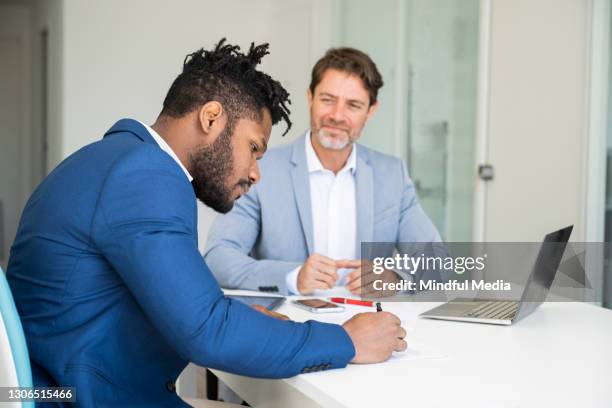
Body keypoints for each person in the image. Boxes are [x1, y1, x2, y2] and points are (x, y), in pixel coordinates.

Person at [6, 40, 406, 407]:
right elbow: (207, 331)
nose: (254, 173)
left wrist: (241, 319)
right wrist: (347, 340)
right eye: (253, 149)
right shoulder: (146, 174)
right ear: (212, 117)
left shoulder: (113, 160)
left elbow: (172, 306)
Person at [204, 47, 442, 296]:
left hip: (370, 323)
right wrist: (293, 277)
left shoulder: (391, 174)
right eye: (328, 100)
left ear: (370, 111)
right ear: (310, 98)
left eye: (353, 105)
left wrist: (395, 278)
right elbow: (218, 257)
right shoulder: (260, 169)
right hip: (290, 326)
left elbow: (436, 263)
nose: (337, 116)